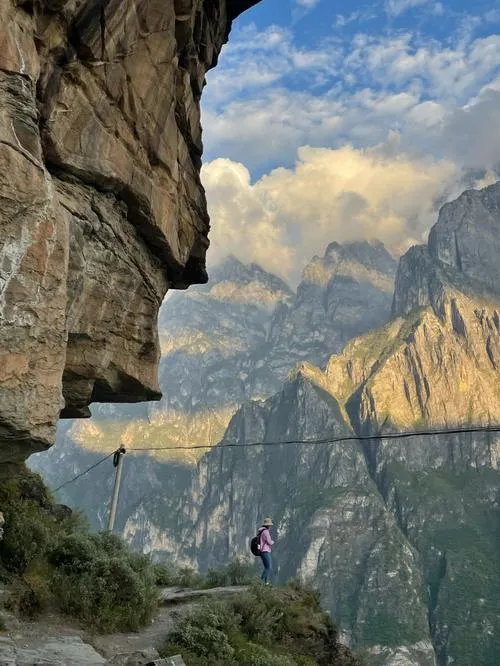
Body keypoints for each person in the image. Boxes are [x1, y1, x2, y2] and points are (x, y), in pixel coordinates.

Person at [258, 517, 274, 584]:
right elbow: (269, 542)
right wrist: (273, 542)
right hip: (265, 551)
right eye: (270, 525)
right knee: (269, 567)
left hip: (262, 551)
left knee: (266, 567)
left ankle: (266, 582)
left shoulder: (261, 531)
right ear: (268, 525)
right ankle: (260, 582)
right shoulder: (266, 532)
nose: (270, 526)